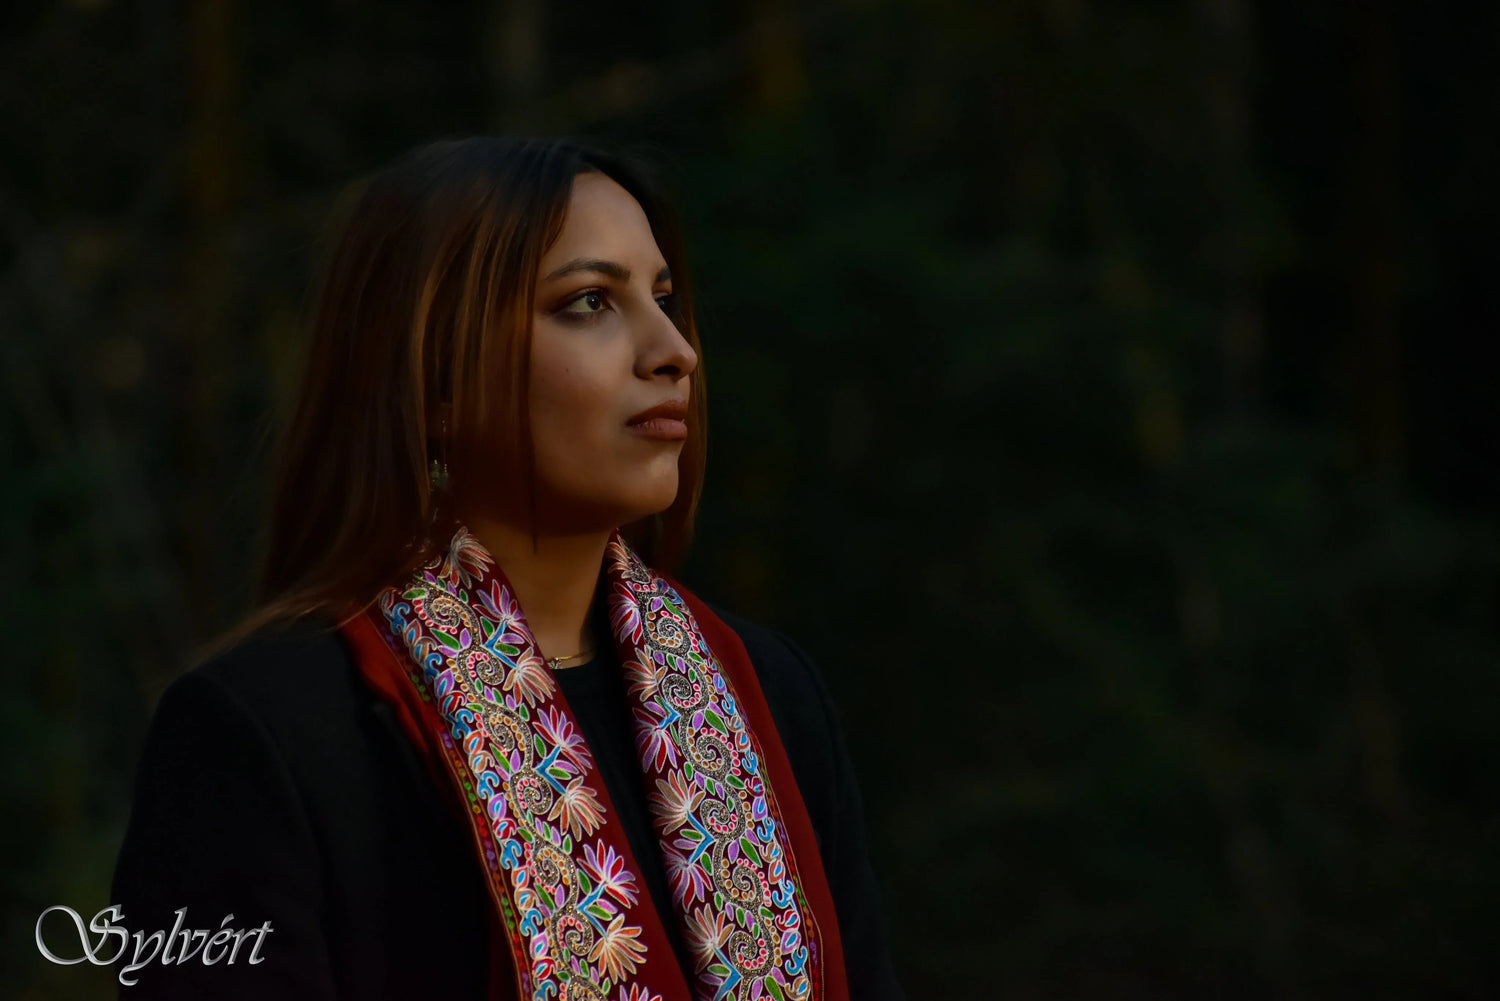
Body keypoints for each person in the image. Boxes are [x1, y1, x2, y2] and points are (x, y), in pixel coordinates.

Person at [110, 136, 905, 1001]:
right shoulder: (268, 737)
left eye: (664, 298)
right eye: (591, 301)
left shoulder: (768, 695)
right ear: (435, 380)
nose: (674, 350)